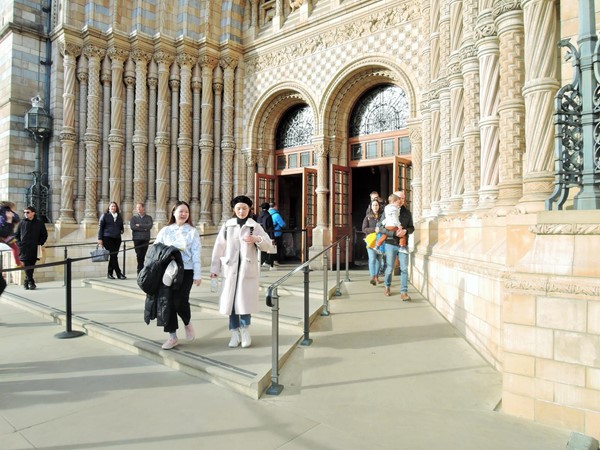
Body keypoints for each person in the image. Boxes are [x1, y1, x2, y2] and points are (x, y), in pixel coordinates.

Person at [210, 195, 274, 348]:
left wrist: (256, 239)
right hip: (230, 269)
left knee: (244, 302)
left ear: (249, 209)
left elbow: (268, 245)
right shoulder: (228, 225)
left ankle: (245, 331)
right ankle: (234, 333)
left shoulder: (255, 226)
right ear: (234, 209)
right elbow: (219, 247)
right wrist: (214, 269)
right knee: (231, 303)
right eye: (238, 208)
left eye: (244, 208)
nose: (241, 211)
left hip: (247, 270)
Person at [153, 200, 202, 350]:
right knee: (167, 303)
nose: (183, 214)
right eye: (180, 211)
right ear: (173, 212)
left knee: (180, 300)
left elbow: (196, 254)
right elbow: (155, 248)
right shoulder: (166, 230)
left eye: (186, 212)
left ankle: (187, 323)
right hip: (167, 270)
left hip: (186, 270)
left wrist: (197, 274)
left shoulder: (192, 231)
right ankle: (172, 336)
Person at [378, 191, 414, 299]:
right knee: (389, 268)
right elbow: (381, 227)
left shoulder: (407, 213)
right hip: (390, 243)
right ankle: (387, 286)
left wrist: (405, 231)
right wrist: (393, 233)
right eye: (400, 198)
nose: (402, 200)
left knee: (404, 268)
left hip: (403, 244)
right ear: (395, 199)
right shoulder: (388, 209)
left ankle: (404, 292)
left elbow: (412, 228)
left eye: (403, 198)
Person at [15, 206, 48, 290]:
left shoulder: (39, 223)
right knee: (26, 265)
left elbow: (44, 235)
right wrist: (19, 244)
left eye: (28, 212)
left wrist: (39, 243)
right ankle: (31, 282)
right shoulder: (21, 222)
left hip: (34, 248)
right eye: (24, 212)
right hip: (24, 249)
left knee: (31, 266)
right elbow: (16, 235)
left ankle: (26, 282)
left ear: (33, 213)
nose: (26, 214)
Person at [98, 201, 126, 280]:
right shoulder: (105, 215)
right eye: (112, 206)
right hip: (107, 237)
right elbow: (100, 228)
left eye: (115, 206)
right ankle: (119, 273)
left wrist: (121, 230)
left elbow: (121, 226)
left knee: (114, 256)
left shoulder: (119, 216)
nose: (113, 208)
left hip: (117, 238)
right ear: (109, 207)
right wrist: (100, 239)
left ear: (116, 208)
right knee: (113, 256)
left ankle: (109, 273)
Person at [362, 198, 383, 286]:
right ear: (371, 206)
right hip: (371, 241)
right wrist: (374, 229)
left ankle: (376, 276)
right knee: (372, 259)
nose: (375, 207)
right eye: (373, 205)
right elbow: (364, 229)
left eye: (376, 205)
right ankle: (372, 277)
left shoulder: (383, 216)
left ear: (379, 206)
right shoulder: (367, 217)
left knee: (379, 259)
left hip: (381, 241)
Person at [130, 202, 154, 274]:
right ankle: (140, 269)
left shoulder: (148, 217)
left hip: (145, 238)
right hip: (137, 239)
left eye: (140, 207)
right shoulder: (133, 218)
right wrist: (144, 229)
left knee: (143, 254)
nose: (138, 209)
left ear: (143, 208)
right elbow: (133, 227)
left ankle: (141, 269)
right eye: (137, 208)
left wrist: (139, 225)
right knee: (139, 255)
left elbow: (149, 226)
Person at [0, 201, 22, 267]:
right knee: (15, 248)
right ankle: (18, 264)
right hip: (6, 235)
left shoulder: (1, 211)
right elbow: (17, 219)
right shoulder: (10, 212)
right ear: (11, 207)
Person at [257, 202, 275, 271]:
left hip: (259, 234)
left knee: (261, 248)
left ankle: (261, 261)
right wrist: (272, 237)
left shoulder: (259, 215)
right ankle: (269, 263)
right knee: (270, 249)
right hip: (267, 234)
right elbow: (270, 227)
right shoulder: (268, 216)